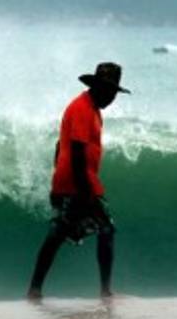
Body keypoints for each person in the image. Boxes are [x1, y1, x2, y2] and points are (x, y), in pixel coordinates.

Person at [27, 62, 130, 301]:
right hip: (77, 183)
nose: (112, 98)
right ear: (98, 87)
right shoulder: (82, 109)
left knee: (58, 233)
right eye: (109, 91)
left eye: (115, 93)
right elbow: (75, 152)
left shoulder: (92, 109)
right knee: (105, 228)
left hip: (73, 181)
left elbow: (59, 145)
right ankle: (105, 291)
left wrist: (58, 177)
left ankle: (35, 290)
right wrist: (85, 192)